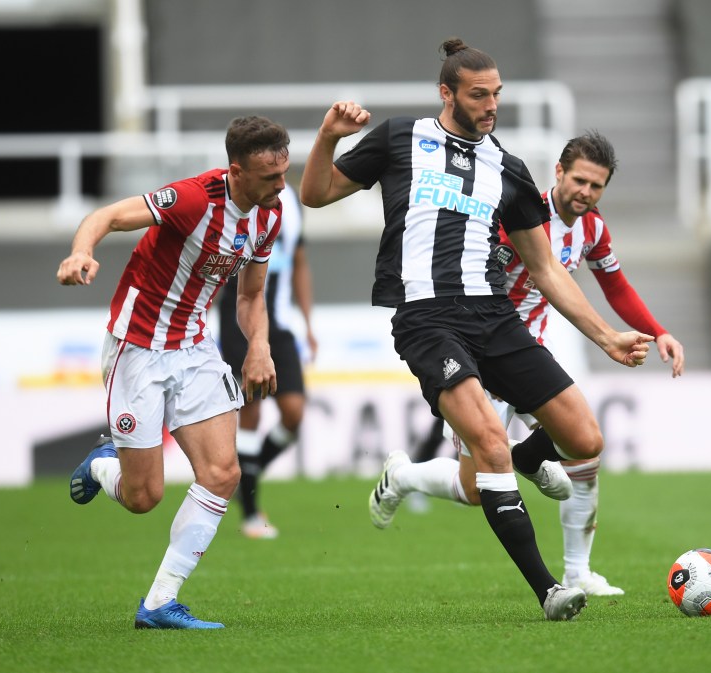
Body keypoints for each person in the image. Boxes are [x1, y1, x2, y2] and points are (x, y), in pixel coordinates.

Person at [299, 37, 654, 621]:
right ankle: (549, 589)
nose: (492, 106)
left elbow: (545, 271)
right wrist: (330, 136)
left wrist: (607, 336)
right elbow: (314, 195)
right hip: (427, 318)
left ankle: (468, 468)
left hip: (495, 316)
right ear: (448, 94)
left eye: (497, 95)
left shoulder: (508, 169)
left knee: (584, 440)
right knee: (490, 443)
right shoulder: (398, 138)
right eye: (479, 95)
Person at [387, 131, 686, 597]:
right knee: (472, 489)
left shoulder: (593, 229)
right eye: (580, 181)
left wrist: (659, 330)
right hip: (479, 351)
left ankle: (578, 571)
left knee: (585, 452)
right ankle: (403, 476)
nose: (586, 193)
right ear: (559, 173)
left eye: (597, 186)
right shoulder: (516, 215)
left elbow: (616, 286)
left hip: (526, 354)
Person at [57, 115, 290, 630]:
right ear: (236, 171)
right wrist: (81, 251)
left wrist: (259, 347)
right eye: (270, 177)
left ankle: (160, 602)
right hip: (136, 348)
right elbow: (109, 215)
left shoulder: (269, 216)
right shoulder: (191, 199)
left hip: (194, 347)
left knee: (223, 473)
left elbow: (250, 295)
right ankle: (102, 464)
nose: (281, 185)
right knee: (144, 498)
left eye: (283, 172)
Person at [217, 183, 317, 539]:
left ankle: (246, 475)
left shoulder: (291, 201)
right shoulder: (239, 199)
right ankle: (251, 513)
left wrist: (307, 323)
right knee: (252, 410)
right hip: (241, 316)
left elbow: (299, 262)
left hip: (280, 320)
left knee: (293, 413)